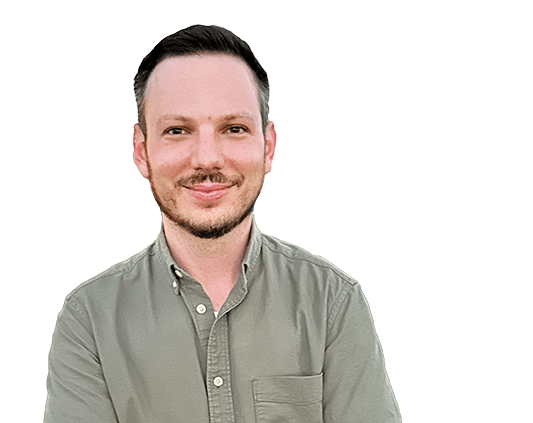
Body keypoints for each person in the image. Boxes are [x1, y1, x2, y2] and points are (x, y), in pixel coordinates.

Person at [44, 24, 401, 422]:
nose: (207, 158)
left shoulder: (333, 302)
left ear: (268, 147)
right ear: (142, 151)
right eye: (177, 130)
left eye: (234, 129)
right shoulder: (89, 319)